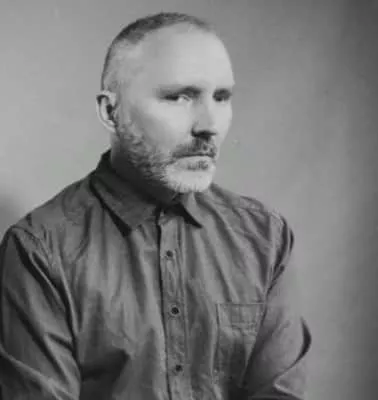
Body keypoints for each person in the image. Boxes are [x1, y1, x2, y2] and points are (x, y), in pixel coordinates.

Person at [0, 12, 311, 400]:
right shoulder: (39, 249)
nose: (209, 125)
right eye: (179, 97)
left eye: (221, 97)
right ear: (110, 112)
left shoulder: (266, 238)